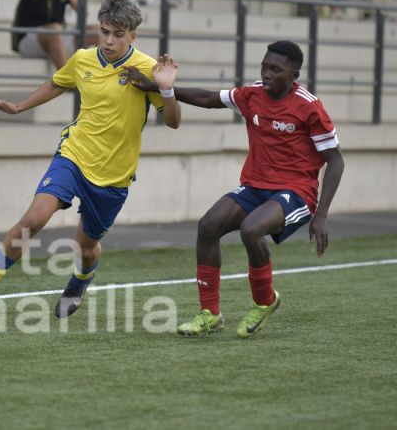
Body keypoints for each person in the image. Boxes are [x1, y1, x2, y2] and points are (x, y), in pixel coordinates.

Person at [0, 0, 181, 318]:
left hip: (114, 174)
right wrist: (17, 107)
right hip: (73, 154)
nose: (109, 41)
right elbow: (57, 83)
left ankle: (80, 281)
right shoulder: (83, 59)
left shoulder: (147, 68)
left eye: (118, 34)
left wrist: (166, 88)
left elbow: (172, 121)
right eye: (104, 32)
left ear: (133, 35)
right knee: (33, 219)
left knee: (86, 246)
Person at [128, 41, 344, 338]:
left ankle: (264, 301)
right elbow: (207, 98)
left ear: (294, 75)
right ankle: (210, 314)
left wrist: (322, 215)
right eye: (264, 67)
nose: (266, 74)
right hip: (255, 185)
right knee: (208, 226)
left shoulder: (309, 106)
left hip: (297, 192)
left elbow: (336, 160)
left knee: (251, 229)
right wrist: (155, 86)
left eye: (275, 69)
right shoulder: (252, 95)